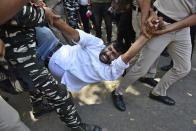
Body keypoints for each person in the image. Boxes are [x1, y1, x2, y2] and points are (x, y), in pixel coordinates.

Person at [0, 3, 101, 131]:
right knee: (60, 94)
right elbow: (18, 13)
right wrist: (44, 13)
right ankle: (77, 126)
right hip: (18, 55)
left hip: (23, 50)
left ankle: (38, 107)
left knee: (32, 81)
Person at [35, 10, 161, 93]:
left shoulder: (109, 72)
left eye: (113, 55)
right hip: (50, 42)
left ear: (115, 60)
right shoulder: (96, 44)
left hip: (39, 63)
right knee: (25, 20)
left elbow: (127, 56)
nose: (108, 54)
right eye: (109, 49)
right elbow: (73, 34)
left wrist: (147, 35)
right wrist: (49, 16)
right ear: (106, 46)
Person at [112, 0, 196, 112]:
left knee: (183, 68)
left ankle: (158, 92)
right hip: (159, 22)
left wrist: (168, 29)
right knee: (142, 67)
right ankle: (118, 92)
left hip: (182, 29)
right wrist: (148, 15)